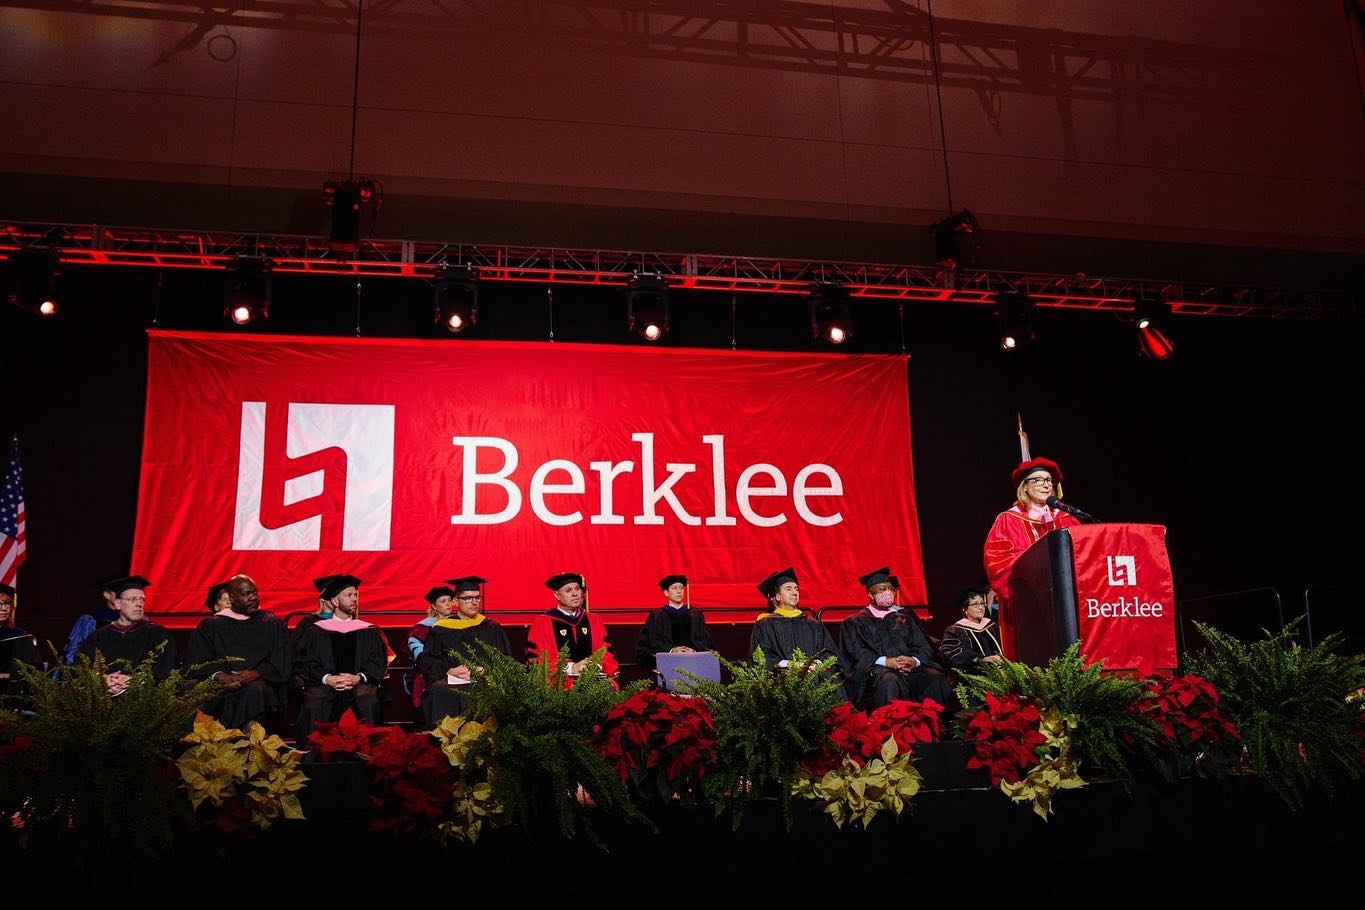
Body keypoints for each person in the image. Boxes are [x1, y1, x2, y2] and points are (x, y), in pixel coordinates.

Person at [982, 457, 1081, 656]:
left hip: (1068, 602)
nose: (1046, 485)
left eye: (1049, 480)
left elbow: (1082, 554)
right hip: (1028, 605)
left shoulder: (1067, 519)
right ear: (1025, 487)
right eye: (1038, 480)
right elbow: (997, 561)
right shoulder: (1008, 520)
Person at [838, 567, 954, 711]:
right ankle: (891, 725)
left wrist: (913, 661)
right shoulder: (854, 622)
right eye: (882, 589)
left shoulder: (905, 619)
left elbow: (923, 647)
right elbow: (855, 652)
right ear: (871, 595)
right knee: (890, 681)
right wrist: (886, 661)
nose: (888, 592)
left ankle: (935, 723)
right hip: (878, 670)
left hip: (910, 669)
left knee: (935, 679)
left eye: (890, 589)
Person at [183, 574, 290, 729]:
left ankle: (246, 738)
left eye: (255, 593)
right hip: (219, 684)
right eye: (247, 594)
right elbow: (197, 661)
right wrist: (221, 675)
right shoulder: (211, 626)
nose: (254, 597)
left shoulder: (270, 623)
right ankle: (203, 738)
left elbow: (281, 660)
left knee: (256, 690)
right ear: (232, 598)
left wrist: (257, 673)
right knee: (193, 688)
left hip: (256, 683)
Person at [293, 574, 386, 742]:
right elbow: (305, 662)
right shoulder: (316, 631)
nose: (354, 599)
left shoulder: (368, 630)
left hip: (357, 685)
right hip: (326, 685)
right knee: (314, 703)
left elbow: (377, 661)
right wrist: (328, 678)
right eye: (349, 595)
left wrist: (358, 677)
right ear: (335, 601)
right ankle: (312, 754)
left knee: (369, 701)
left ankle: (367, 754)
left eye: (355, 595)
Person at [418, 576, 512, 723]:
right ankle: (445, 736)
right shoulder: (441, 628)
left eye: (477, 597)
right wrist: (449, 670)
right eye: (468, 598)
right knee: (436, 691)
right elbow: (430, 660)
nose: (474, 602)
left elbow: (504, 659)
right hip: (451, 681)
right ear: (456, 601)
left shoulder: (491, 628)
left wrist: (486, 670)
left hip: (484, 680)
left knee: (496, 692)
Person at [79, 575, 176, 691]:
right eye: (132, 599)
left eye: (142, 599)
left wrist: (133, 680)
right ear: (118, 603)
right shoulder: (98, 636)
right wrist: (102, 680)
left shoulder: (158, 634)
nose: (139, 604)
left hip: (143, 696)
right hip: (102, 696)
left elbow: (165, 669)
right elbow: (81, 668)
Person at [525, 572, 619, 684]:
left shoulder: (594, 620)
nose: (575, 594)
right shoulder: (542, 623)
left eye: (577, 589)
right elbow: (540, 660)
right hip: (559, 684)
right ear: (557, 595)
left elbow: (606, 652)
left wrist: (596, 665)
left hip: (594, 682)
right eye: (568, 590)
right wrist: (572, 668)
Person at [749, 567, 839, 672]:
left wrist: (815, 665)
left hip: (814, 677)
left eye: (796, 589)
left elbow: (830, 653)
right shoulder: (765, 625)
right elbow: (762, 657)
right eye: (788, 589)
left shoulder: (813, 624)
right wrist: (790, 665)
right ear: (777, 597)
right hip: (781, 678)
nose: (794, 592)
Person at [635, 574, 714, 675]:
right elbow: (651, 643)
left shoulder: (695, 615)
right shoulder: (657, 616)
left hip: (694, 664)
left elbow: (705, 641)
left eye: (681, 587)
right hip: (667, 665)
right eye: (674, 588)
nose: (679, 591)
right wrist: (672, 650)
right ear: (666, 593)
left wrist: (693, 650)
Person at [405, 585, 456, 709]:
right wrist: (441, 668)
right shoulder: (423, 627)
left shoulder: (457, 624)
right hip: (430, 671)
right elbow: (420, 655)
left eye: (449, 600)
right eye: (443, 601)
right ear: (434, 606)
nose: (448, 604)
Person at [939, 586, 1004, 671]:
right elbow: (953, 654)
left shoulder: (993, 626)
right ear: (964, 609)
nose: (981, 607)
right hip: (974, 674)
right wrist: (983, 659)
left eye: (982, 604)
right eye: (975, 604)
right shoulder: (955, 631)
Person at [60, 575, 121, 664]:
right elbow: (74, 650)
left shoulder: (133, 619)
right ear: (107, 595)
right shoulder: (91, 618)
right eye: (119, 592)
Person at [0, 583, 39, 698]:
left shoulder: (20, 636)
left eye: (8, 603)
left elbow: (34, 669)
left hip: (10, 694)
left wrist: (6, 675)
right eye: (0, 604)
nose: (4, 608)